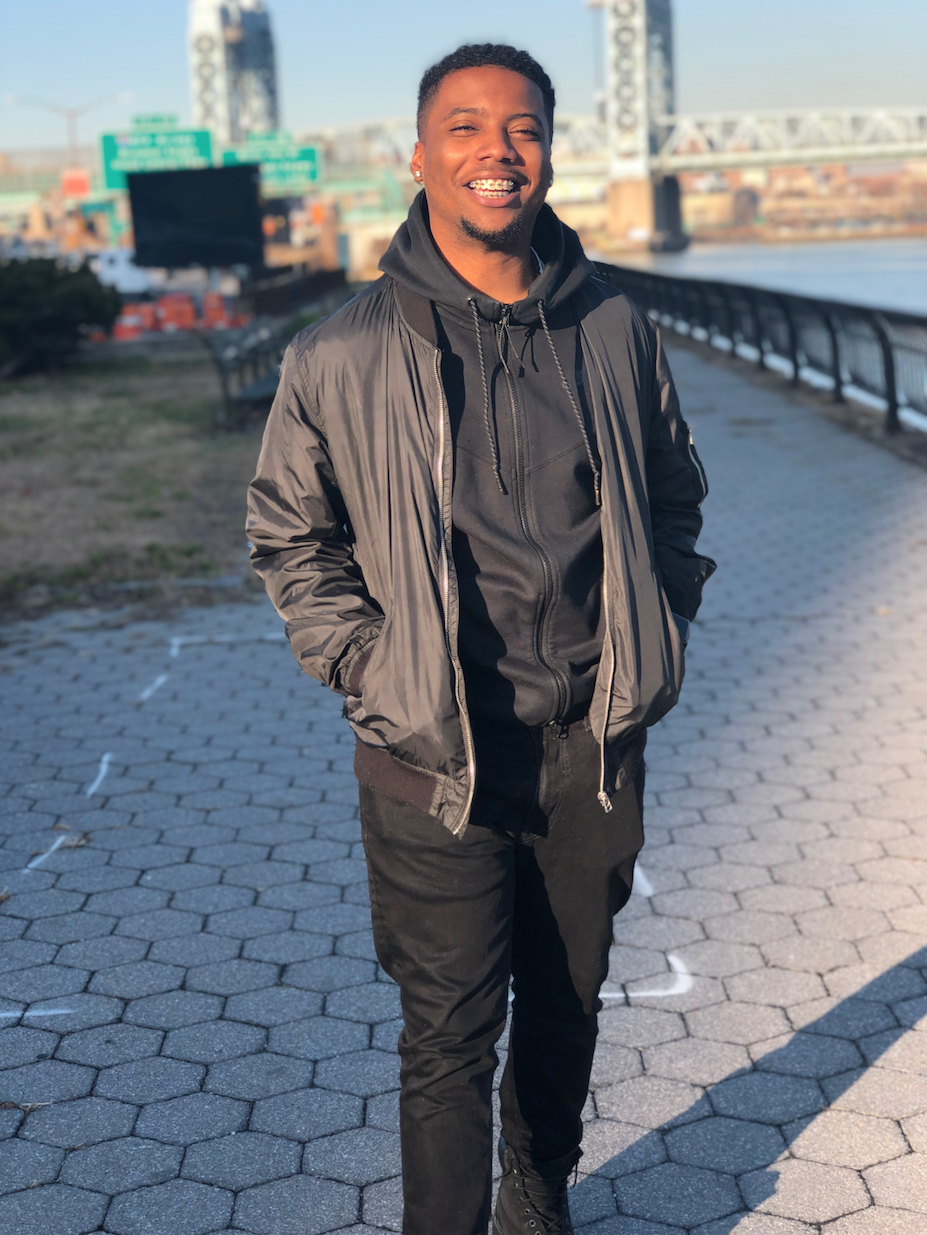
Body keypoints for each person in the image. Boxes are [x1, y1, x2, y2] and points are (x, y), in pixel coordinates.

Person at [247, 43, 715, 1235]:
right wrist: (373, 669)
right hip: (432, 756)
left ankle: (538, 1196)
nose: (496, 152)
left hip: (591, 745)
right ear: (419, 156)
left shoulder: (615, 327)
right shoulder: (342, 351)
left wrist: (657, 627)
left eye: (523, 128)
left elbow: (674, 496)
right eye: (465, 127)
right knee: (448, 1033)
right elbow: (291, 537)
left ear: (548, 153)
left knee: (568, 1005)